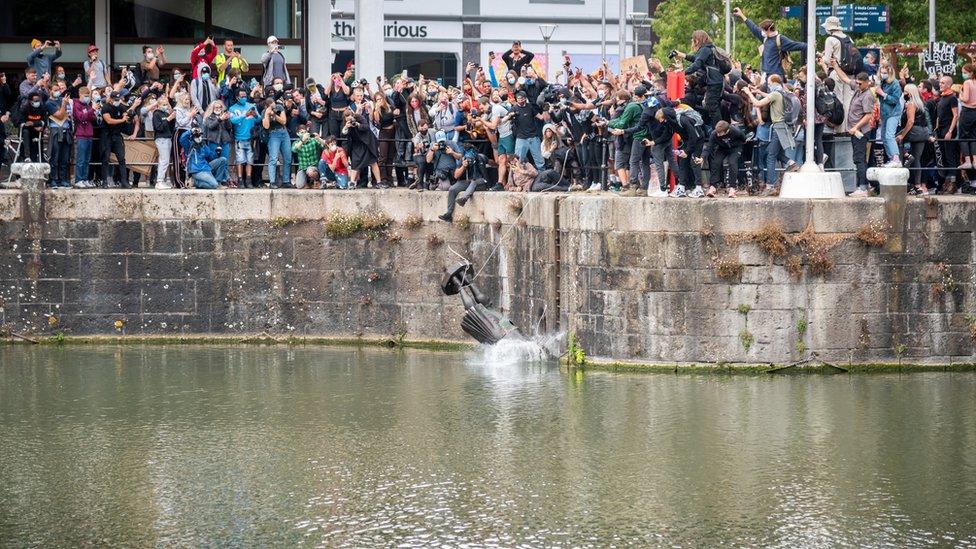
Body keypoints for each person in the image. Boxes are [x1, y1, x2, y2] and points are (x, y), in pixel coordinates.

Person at [743, 74, 799, 195]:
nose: (768, 85)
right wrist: (758, 91)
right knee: (772, 151)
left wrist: (749, 93)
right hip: (783, 127)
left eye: (769, 83)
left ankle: (770, 186)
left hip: (778, 128)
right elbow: (769, 96)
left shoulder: (775, 94)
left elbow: (758, 104)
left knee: (770, 155)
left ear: (774, 82)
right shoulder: (781, 92)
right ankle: (791, 163)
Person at [833, 65, 878, 196]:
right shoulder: (859, 89)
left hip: (860, 132)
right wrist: (835, 65)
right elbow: (845, 79)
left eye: (860, 83)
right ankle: (868, 185)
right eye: (857, 83)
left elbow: (868, 115)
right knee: (859, 158)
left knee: (859, 158)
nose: (857, 85)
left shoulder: (867, 95)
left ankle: (863, 187)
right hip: (855, 130)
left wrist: (856, 127)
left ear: (866, 82)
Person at [733, 9, 805, 80]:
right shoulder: (765, 38)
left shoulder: (780, 39)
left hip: (775, 75)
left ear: (769, 29)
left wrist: (810, 46)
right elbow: (753, 28)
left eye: (763, 30)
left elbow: (796, 45)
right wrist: (742, 15)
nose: (762, 32)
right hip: (766, 75)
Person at [676, 30, 725, 128]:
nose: (692, 42)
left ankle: (720, 131)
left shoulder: (705, 49)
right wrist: (683, 55)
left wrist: (683, 73)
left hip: (714, 82)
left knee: (712, 106)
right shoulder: (709, 48)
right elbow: (697, 59)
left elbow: (697, 64)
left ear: (697, 40)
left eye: (693, 40)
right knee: (712, 106)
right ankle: (718, 130)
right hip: (716, 81)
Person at [897, 83, 932, 194]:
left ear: (910, 93)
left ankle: (907, 156)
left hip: (914, 132)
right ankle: (918, 185)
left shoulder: (911, 104)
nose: (904, 93)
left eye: (906, 91)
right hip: (923, 132)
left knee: (894, 140)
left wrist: (902, 135)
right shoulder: (921, 103)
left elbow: (910, 121)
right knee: (918, 159)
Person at [698, 120, 746, 197]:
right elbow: (709, 147)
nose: (718, 134)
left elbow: (744, 139)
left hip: (735, 148)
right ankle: (713, 186)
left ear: (727, 131)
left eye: (720, 133)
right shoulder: (714, 134)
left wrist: (739, 148)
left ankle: (732, 188)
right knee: (715, 162)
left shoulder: (735, 131)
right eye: (717, 132)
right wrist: (702, 157)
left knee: (732, 163)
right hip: (722, 148)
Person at [100, 92, 133, 188]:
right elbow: (109, 120)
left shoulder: (121, 106)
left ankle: (124, 181)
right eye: (115, 100)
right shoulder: (106, 107)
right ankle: (104, 181)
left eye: (118, 100)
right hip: (107, 135)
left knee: (121, 159)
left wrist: (126, 116)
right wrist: (122, 120)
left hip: (117, 135)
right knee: (105, 158)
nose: (117, 102)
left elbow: (125, 115)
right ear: (110, 99)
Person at [342, 109, 381, 189]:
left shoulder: (359, 117)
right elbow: (343, 134)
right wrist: (346, 127)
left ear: (352, 116)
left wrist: (357, 124)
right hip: (357, 144)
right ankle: (352, 182)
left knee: (373, 162)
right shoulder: (345, 123)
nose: (349, 120)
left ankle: (379, 182)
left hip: (367, 143)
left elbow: (366, 127)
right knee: (355, 163)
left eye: (350, 118)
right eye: (347, 119)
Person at [874, 61, 903, 167]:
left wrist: (883, 94)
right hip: (885, 113)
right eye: (881, 72)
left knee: (889, 135)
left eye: (884, 72)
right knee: (884, 136)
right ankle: (891, 158)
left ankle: (896, 158)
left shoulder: (895, 83)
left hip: (893, 113)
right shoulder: (883, 82)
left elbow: (895, 100)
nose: (882, 74)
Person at [934, 75, 960, 192]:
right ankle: (946, 181)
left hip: (948, 130)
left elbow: (955, 115)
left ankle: (953, 183)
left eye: (943, 83)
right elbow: (939, 116)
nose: (940, 84)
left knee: (950, 157)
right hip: (940, 130)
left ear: (949, 85)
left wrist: (950, 131)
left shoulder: (952, 98)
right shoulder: (941, 98)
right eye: (940, 82)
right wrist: (936, 128)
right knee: (943, 156)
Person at [229, 89, 258, 188]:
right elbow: (233, 120)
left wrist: (256, 115)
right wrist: (244, 115)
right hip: (239, 138)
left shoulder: (252, 106)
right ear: (237, 97)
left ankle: (248, 180)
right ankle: (240, 180)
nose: (244, 98)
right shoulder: (232, 108)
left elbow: (259, 119)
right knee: (240, 160)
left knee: (250, 160)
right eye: (242, 96)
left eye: (245, 96)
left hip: (251, 138)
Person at [262, 98, 293, 188]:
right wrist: (267, 115)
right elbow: (266, 126)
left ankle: (286, 181)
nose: (273, 105)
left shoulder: (279, 107)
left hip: (284, 132)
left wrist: (274, 115)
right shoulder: (264, 111)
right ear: (267, 105)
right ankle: (272, 182)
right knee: (273, 158)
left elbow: (284, 121)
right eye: (271, 104)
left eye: (273, 102)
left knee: (288, 158)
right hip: (273, 134)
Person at [71, 87, 97, 188]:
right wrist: (91, 111)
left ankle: (85, 179)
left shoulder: (88, 105)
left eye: (88, 96)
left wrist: (91, 112)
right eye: (85, 96)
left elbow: (92, 118)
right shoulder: (76, 105)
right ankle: (78, 179)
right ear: (80, 95)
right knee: (80, 159)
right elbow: (80, 117)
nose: (87, 98)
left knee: (87, 159)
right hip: (80, 135)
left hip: (89, 134)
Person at [511, 91, 544, 170]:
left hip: (534, 137)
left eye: (522, 98)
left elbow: (541, 117)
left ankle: (543, 178)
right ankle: (518, 179)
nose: (520, 100)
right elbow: (506, 118)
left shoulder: (530, 107)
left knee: (540, 161)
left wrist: (547, 110)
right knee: (518, 161)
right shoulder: (514, 108)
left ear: (525, 99)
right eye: (518, 99)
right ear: (516, 100)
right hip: (521, 138)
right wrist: (509, 116)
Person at [371, 90, 397, 187]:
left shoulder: (389, 107)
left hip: (392, 132)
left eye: (380, 99)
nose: (379, 101)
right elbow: (377, 122)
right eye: (377, 100)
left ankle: (390, 179)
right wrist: (376, 109)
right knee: (383, 157)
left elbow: (395, 112)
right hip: (383, 132)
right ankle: (384, 179)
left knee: (390, 157)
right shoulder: (377, 110)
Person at [47, 95, 73, 188]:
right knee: (55, 157)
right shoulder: (49, 103)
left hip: (66, 131)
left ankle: (63, 179)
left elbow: (69, 115)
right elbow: (60, 116)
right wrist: (63, 104)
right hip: (56, 132)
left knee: (65, 158)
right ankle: (53, 179)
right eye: (55, 89)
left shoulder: (65, 101)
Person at [152, 95, 176, 189]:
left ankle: (161, 180)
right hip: (161, 138)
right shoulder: (156, 114)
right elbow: (158, 128)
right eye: (164, 104)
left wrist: (172, 118)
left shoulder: (166, 113)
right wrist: (168, 119)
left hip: (168, 138)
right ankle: (159, 181)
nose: (166, 106)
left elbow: (171, 127)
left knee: (165, 160)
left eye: (167, 104)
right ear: (159, 105)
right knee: (164, 160)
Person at [958, 64, 976, 172]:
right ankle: (975, 160)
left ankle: (968, 161)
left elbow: (965, 98)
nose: (963, 74)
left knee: (963, 137)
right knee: (974, 137)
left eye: (965, 72)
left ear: (971, 73)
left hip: (967, 111)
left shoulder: (967, 82)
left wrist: (960, 94)